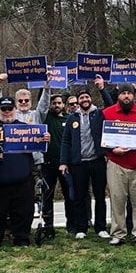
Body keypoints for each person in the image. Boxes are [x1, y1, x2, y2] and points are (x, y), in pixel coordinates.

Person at [0, 97, 50, 247]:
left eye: (10, 109)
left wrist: (44, 139)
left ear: (15, 110)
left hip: (22, 179)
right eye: (3, 109)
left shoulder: (26, 128)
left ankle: (22, 239)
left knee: (23, 212)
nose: (7, 112)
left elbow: (39, 147)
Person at [59, 75, 113, 239]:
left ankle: (101, 227)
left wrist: (102, 88)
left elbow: (110, 105)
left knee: (100, 196)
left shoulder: (99, 114)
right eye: (81, 97)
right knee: (80, 197)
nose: (84, 99)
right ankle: (81, 228)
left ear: (90, 99)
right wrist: (63, 162)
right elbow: (66, 141)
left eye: (86, 97)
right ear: (78, 101)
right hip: (78, 163)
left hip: (97, 161)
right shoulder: (72, 118)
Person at [103, 83, 136, 246]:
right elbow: (100, 138)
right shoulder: (106, 113)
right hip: (116, 163)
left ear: (134, 95)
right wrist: (112, 149)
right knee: (117, 200)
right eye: (123, 93)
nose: (126, 96)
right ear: (118, 95)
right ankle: (118, 233)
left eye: (129, 93)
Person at [42, 94, 74, 236]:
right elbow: (41, 102)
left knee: (69, 195)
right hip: (48, 163)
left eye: (59, 103)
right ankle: (48, 227)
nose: (56, 105)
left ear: (64, 105)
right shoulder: (46, 117)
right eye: (54, 103)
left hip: (65, 164)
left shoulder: (69, 119)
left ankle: (71, 226)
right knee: (47, 196)